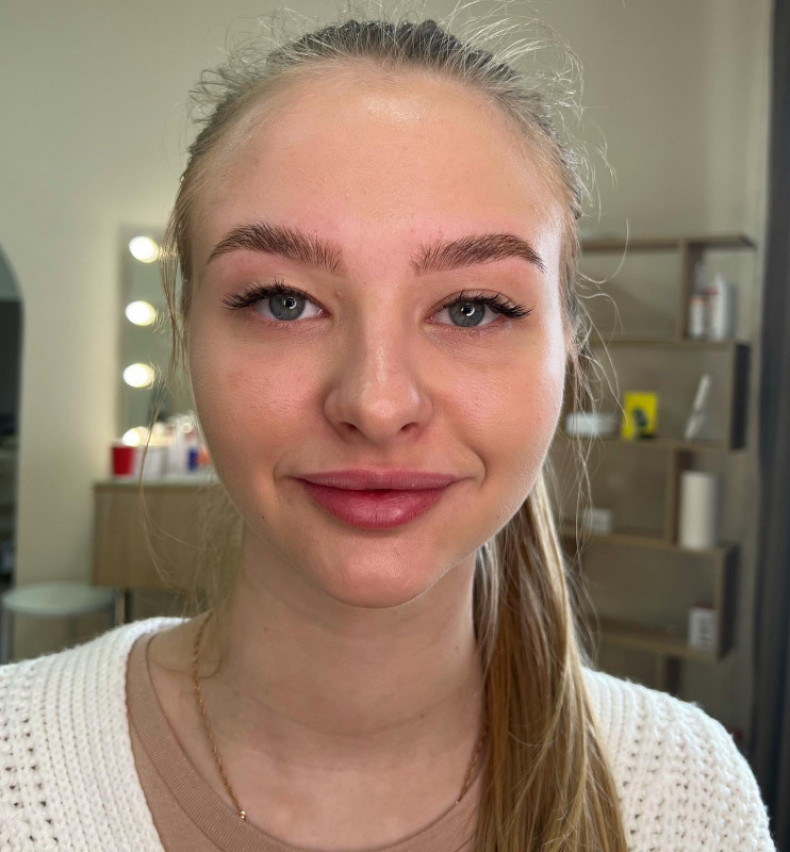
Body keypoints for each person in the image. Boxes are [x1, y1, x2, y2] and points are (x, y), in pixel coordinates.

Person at [0, 7, 775, 852]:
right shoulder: (16, 765)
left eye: (472, 308)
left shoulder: (685, 797)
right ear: (187, 334)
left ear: (567, 347)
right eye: (283, 302)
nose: (375, 405)